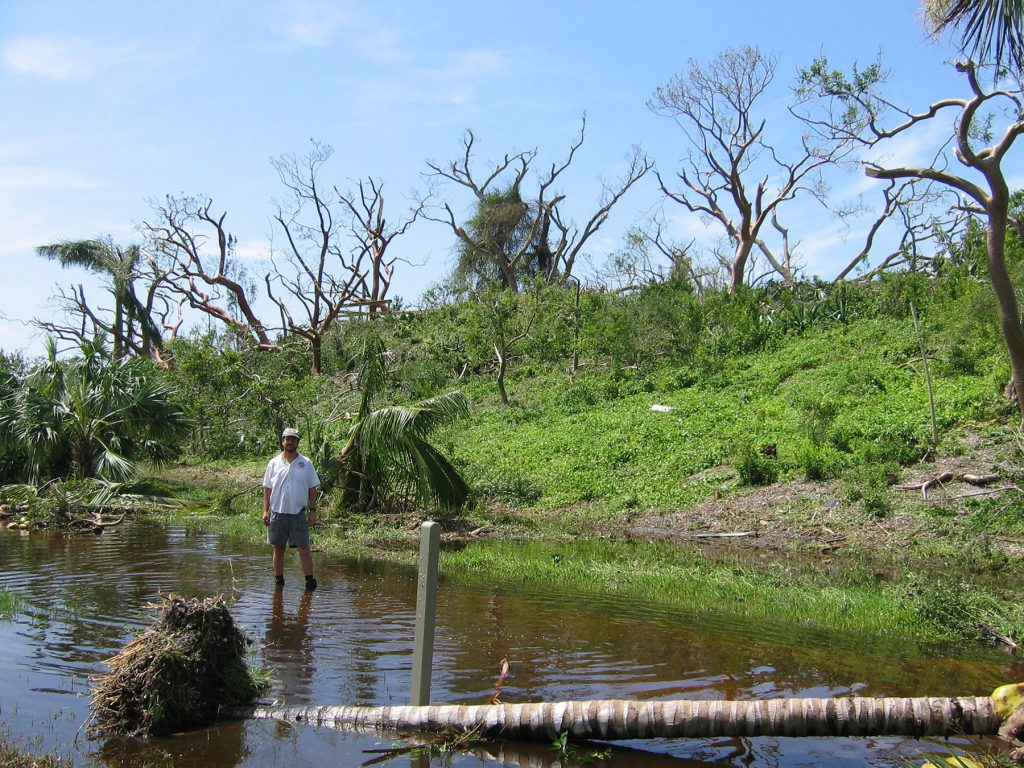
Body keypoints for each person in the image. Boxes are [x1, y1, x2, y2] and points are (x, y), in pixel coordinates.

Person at [263, 427, 320, 591]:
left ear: (297, 442)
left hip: (298, 514)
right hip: (277, 513)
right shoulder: (273, 463)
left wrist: (313, 510)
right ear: (283, 442)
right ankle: (278, 580)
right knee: (278, 548)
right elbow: (267, 489)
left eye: (293, 439)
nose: (290, 442)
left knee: (304, 548)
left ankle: (310, 581)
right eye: (287, 439)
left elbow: (312, 488)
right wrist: (265, 511)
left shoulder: (306, 463)